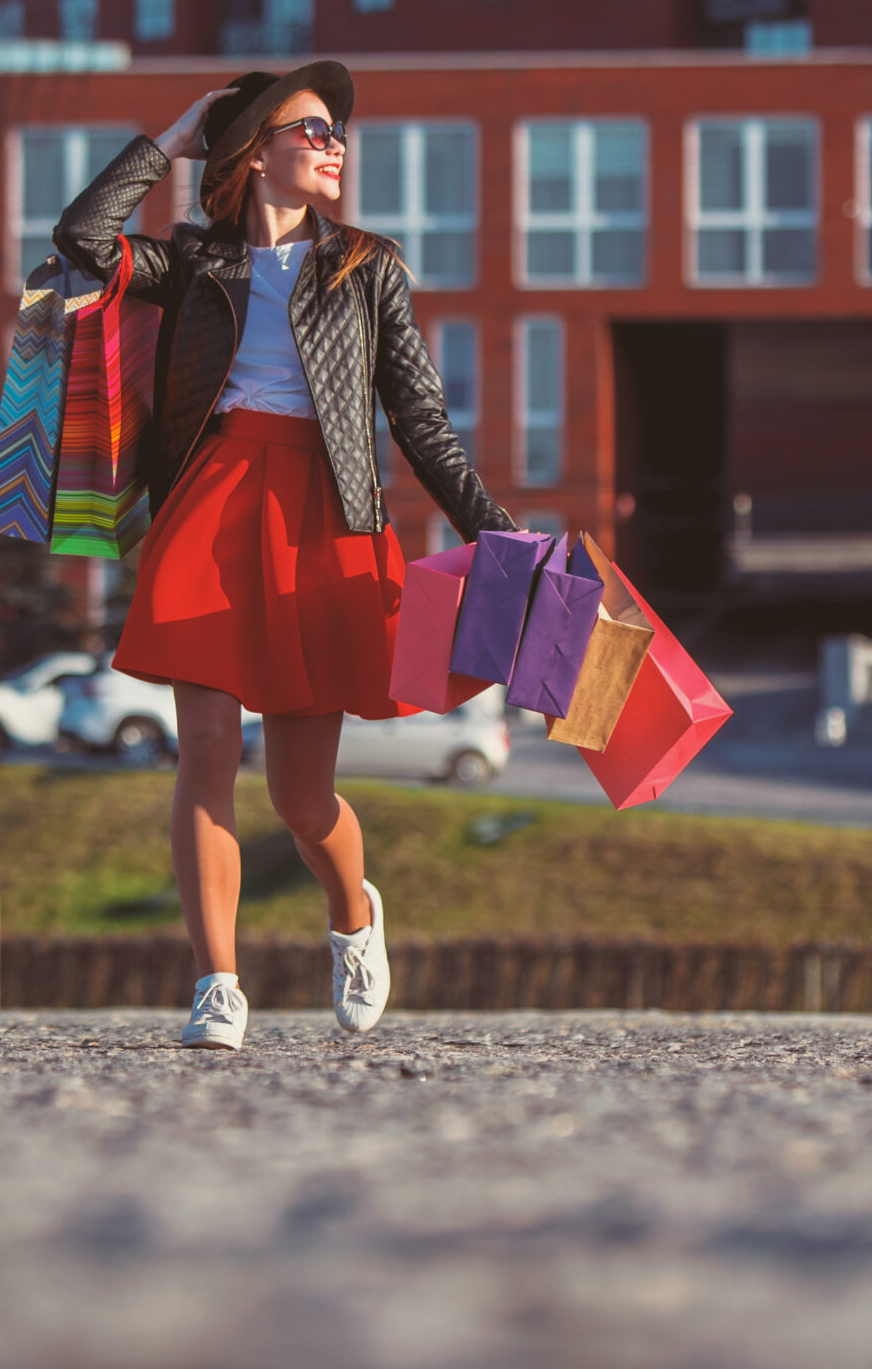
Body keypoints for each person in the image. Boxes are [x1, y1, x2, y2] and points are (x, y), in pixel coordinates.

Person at [51, 64, 514, 1053]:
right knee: (207, 747)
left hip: (325, 518)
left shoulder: (368, 268)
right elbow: (82, 239)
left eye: (337, 131)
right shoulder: (192, 264)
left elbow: (421, 421)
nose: (333, 143)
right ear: (254, 149)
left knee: (300, 799)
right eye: (311, 129)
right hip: (212, 504)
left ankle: (352, 914)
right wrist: (173, 135)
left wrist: (498, 534)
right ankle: (216, 982)